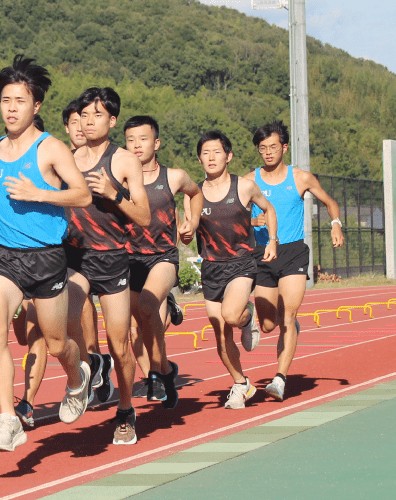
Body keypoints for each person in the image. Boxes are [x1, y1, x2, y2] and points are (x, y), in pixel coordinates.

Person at [0, 55, 93, 452]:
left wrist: (39, 193)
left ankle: (78, 378)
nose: (11, 108)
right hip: (3, 257)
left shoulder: (51, 149)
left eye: (20, 101)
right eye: (5, 101)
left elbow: (82, 195)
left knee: (57, 343)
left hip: (45, 258)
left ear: (36, 105)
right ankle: (8, 418)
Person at [66, 87, 151, 445]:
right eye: (84, 115)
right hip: (75, 256)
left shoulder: (125, 161)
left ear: (112, 120)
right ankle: (84, 370)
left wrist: (114, 194)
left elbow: (144, 217)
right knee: (63, 320)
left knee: (120, 345)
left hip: (113, 257)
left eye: (97, 115)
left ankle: (126, 410)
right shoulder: (67, 159)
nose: (88, 121)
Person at [244, 121, 344, 401]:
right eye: (262, 148)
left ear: (284, 147)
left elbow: (330, 202)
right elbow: (234, 216)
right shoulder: (249, 181)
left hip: (293, 252)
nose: (268, 152)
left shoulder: (300, 177)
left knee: (289, 315)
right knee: (267, 325)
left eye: (273, 147)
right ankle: (251, 316)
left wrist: (335, 224)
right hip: (263, 253)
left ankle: (280, 378)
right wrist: (253, 221)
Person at [185, 130, 277, 410]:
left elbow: (269, 209)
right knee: (221, 332)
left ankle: (246, 318)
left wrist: (272, 240)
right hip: (211, 267)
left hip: (241, 263)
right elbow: (187, 233)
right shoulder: (193, 194)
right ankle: (241, 383)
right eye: (205, 153)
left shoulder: (245, 187)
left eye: (217, 152)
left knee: (230, 315)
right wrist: (184, 233)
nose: (211, 157)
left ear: (229, 156)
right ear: (199, 159)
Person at [13, 99, 87, 428]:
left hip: (74, 253)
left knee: (56, 332)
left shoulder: (57, 158)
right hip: (23, 256)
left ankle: (30, 400)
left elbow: (81, 197)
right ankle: (88, 366)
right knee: (27, 334)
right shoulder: (8, 161)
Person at [123, 115, 199, 407]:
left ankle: (158, 372)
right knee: (133, 329)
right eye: (130, 140)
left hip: (163, 256)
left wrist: (191, 221)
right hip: (130, 257)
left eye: (143, 139)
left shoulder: (174, 177)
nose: (136, 145)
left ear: (156, 143)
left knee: (146, 306)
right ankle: (159, 374)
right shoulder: (120, 178)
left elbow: (195, 193)